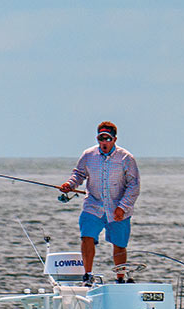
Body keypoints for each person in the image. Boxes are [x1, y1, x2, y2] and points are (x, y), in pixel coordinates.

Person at [58, 121, 140, 285]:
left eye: (107, 138)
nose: (104, 142)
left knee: (119, 244)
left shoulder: (126, 158)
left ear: (114, 139)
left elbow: (134, 185)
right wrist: (70, 185)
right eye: (101, 138)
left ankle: (120, 278)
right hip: (93, 205)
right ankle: (87, 275)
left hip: (118, 210)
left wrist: (122, 207)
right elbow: (79, 174)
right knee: (86, 237)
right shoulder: (88, 155)